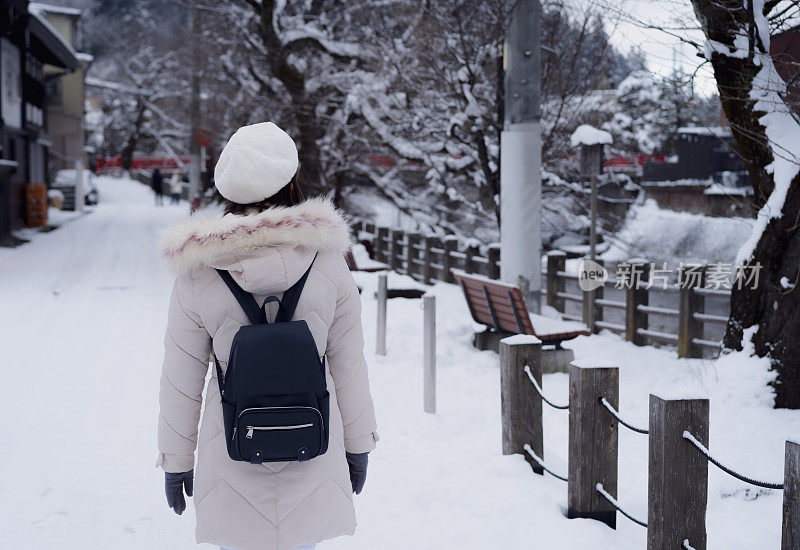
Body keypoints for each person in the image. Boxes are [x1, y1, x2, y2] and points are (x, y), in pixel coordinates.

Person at [157, 122, 379, 550]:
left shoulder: (197, 270)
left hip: (233, 449)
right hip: (312, 445)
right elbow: (349, 363)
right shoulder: (327, 260)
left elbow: (180, 377)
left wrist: (176, 460)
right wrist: (358, 444)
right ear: (291, 181)